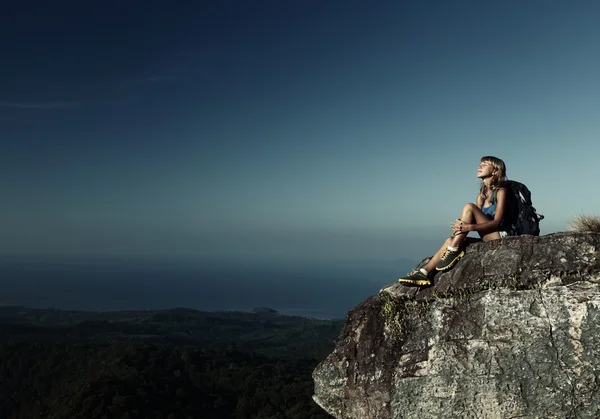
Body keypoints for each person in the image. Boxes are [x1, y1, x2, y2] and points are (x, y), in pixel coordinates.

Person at [398, 156, 512, 287]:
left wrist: (469, 227)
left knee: (469, 207)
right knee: (449, 240)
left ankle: (453, 250)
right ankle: (424, 272)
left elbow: (497, 222)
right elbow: (477, 221)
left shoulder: (501, 192)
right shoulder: (481, 197)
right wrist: (463, 224)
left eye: (484, 164)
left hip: (500, 237)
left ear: (495, 171)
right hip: (487, 236)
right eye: (480, 164)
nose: (479, 166)